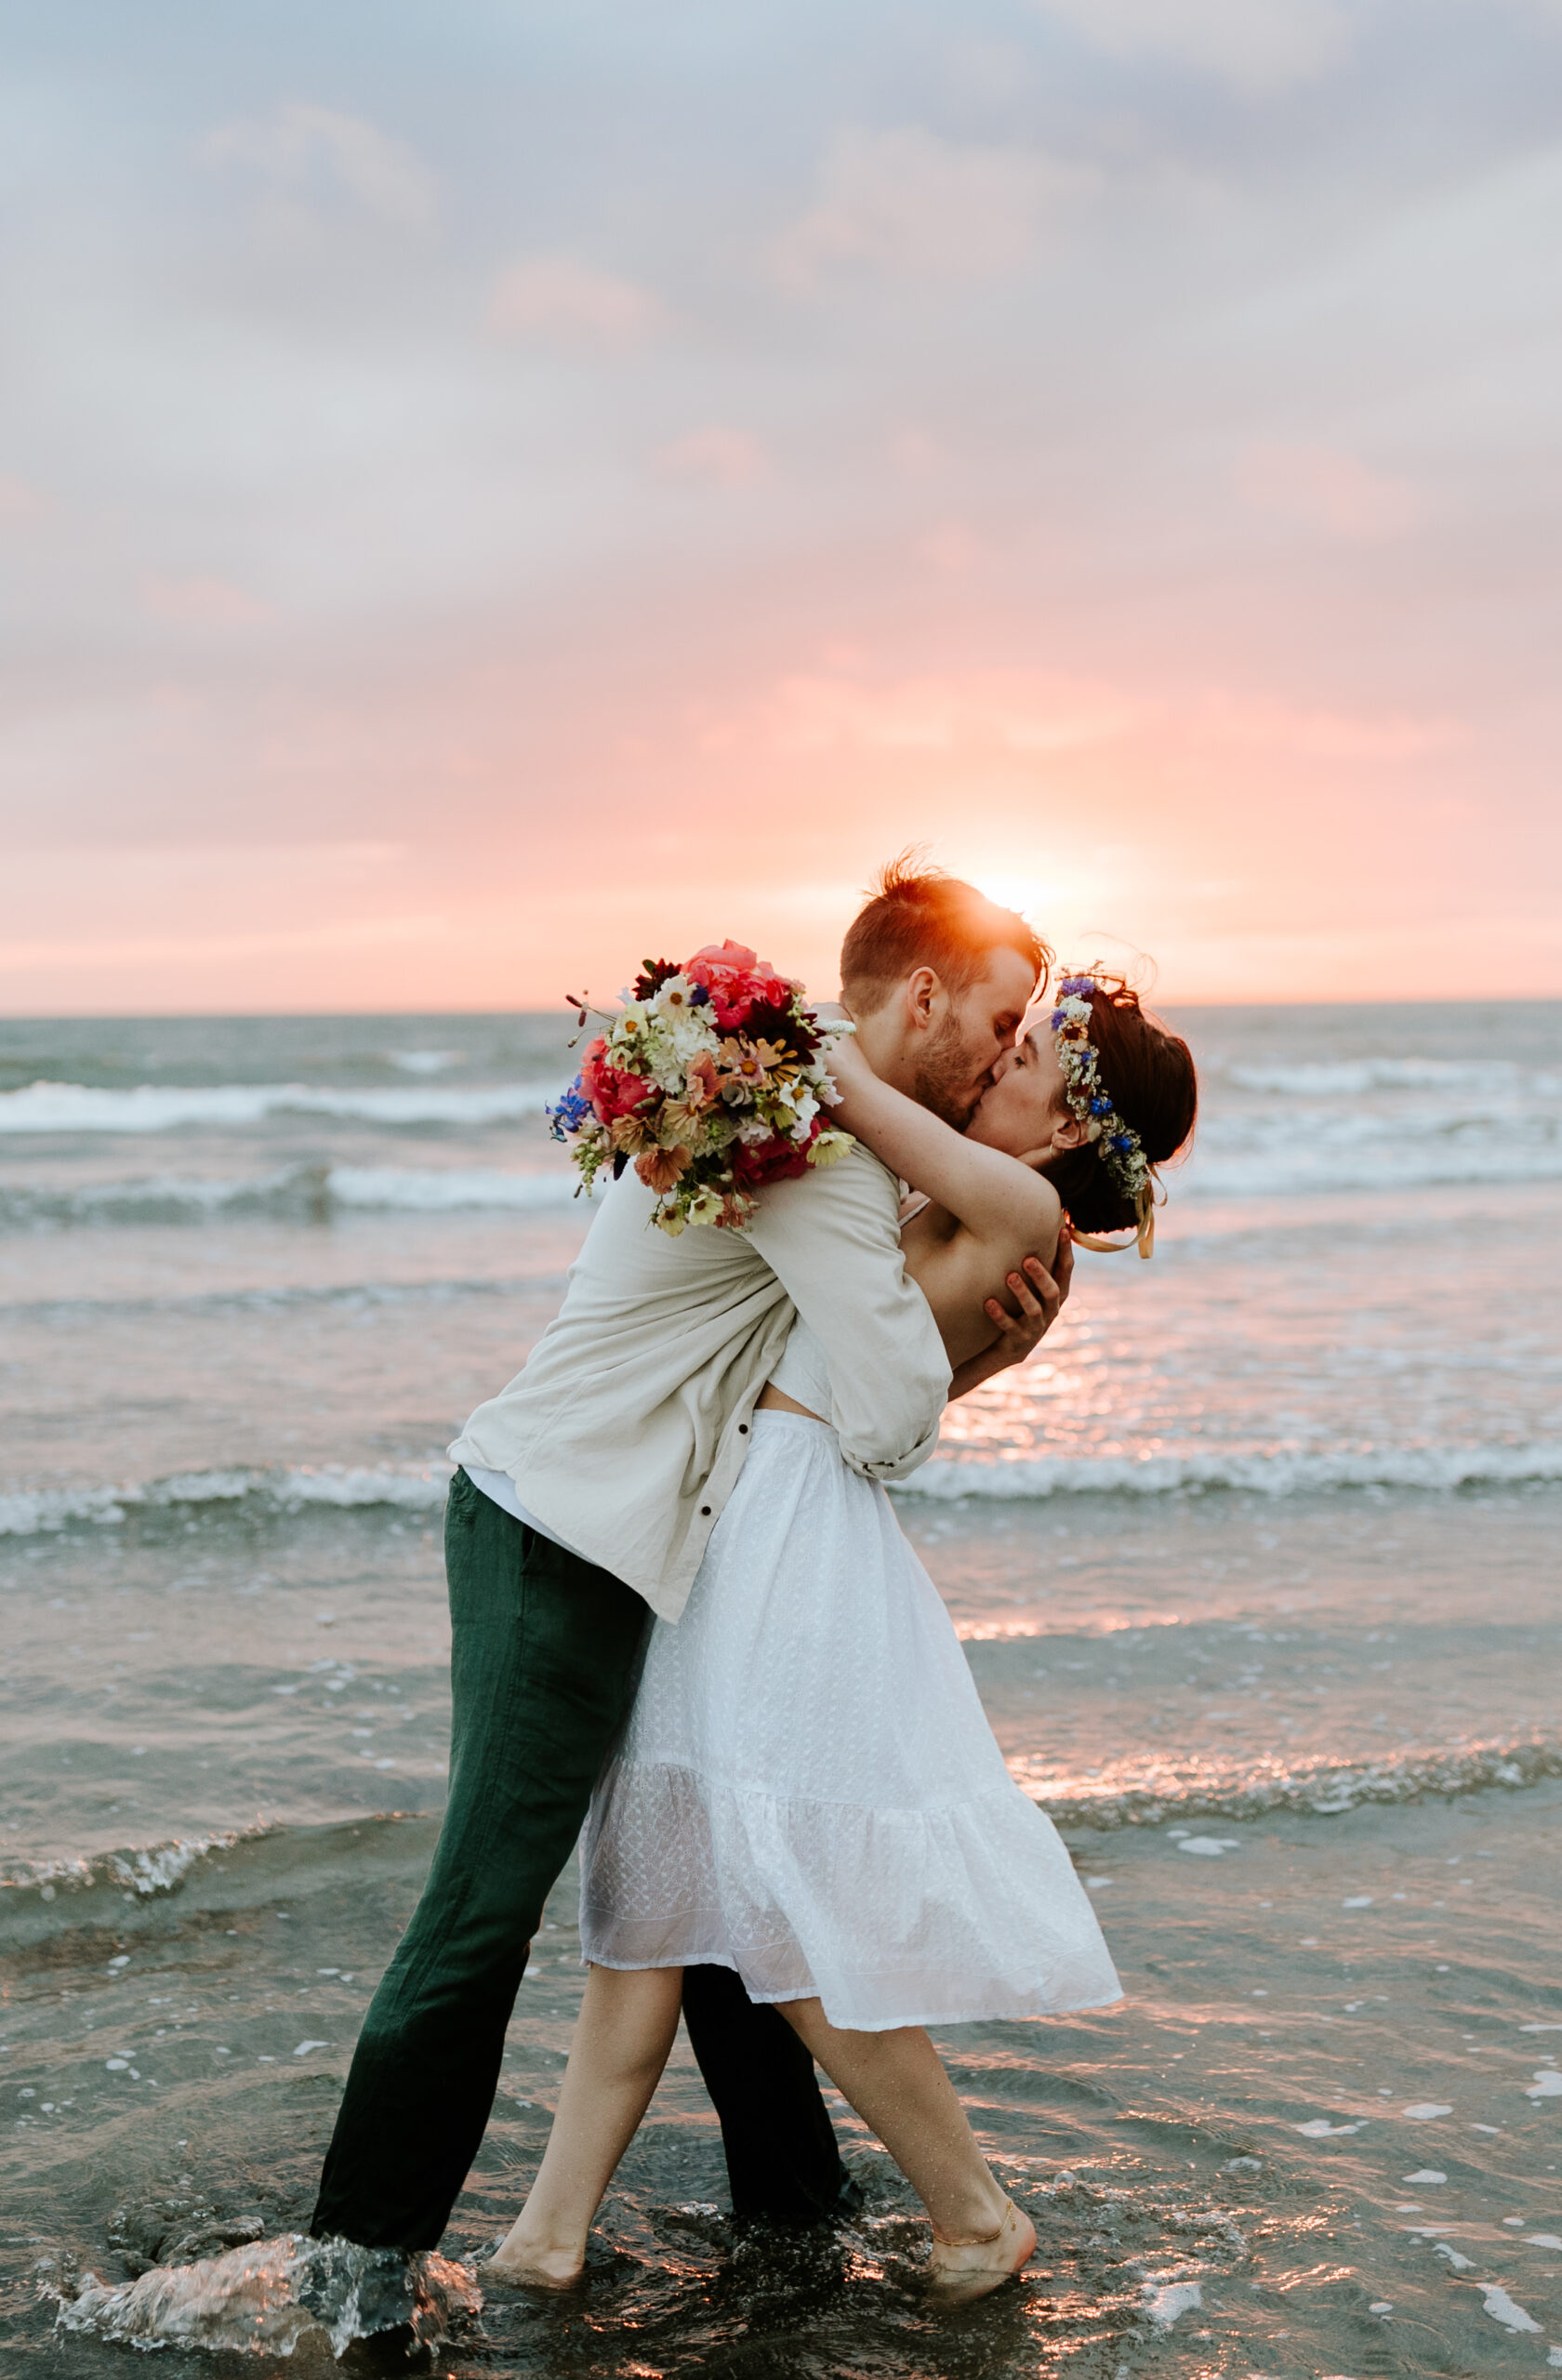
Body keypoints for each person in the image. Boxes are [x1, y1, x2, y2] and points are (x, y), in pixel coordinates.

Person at [309, 861, 1070, 2253]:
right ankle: (351, 2280)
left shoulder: (794, 1110)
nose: (1011, 1050)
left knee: (703, 1879)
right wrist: (991, 1344)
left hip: (607, 1530)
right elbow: (889, 1417)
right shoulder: (822, 1149)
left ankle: (778, 2213)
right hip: (564, 1535)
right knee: (482, 1921)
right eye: (1004, 1016)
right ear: (926, 994)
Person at [489, 972, 1198, 2294]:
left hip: (790, 1555)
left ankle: (974, 2211)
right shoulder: (987, 1206)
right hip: (742, 1527)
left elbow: (857, 1100)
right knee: (645, 1898)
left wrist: (779, 1047)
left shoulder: (1023, 1200)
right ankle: (548, 2234)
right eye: (1012, 1035)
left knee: (773, 1902)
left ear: (1063, 1132)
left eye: (1029, 1053)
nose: (997, 1065)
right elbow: (900, 1363)